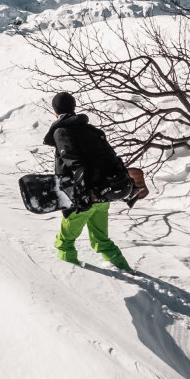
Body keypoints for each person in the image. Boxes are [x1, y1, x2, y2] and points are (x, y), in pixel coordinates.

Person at [43, 91, 141, 272]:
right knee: (101, 241)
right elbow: (114, 159)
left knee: (64, 243)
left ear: (55, 111)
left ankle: (71, 283)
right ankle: (128, 272)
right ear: (73, 108)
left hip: (83, 199)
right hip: (104, 196)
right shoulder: (93, 131)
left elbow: (74, 162)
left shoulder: (61, 131)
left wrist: (83, 194)